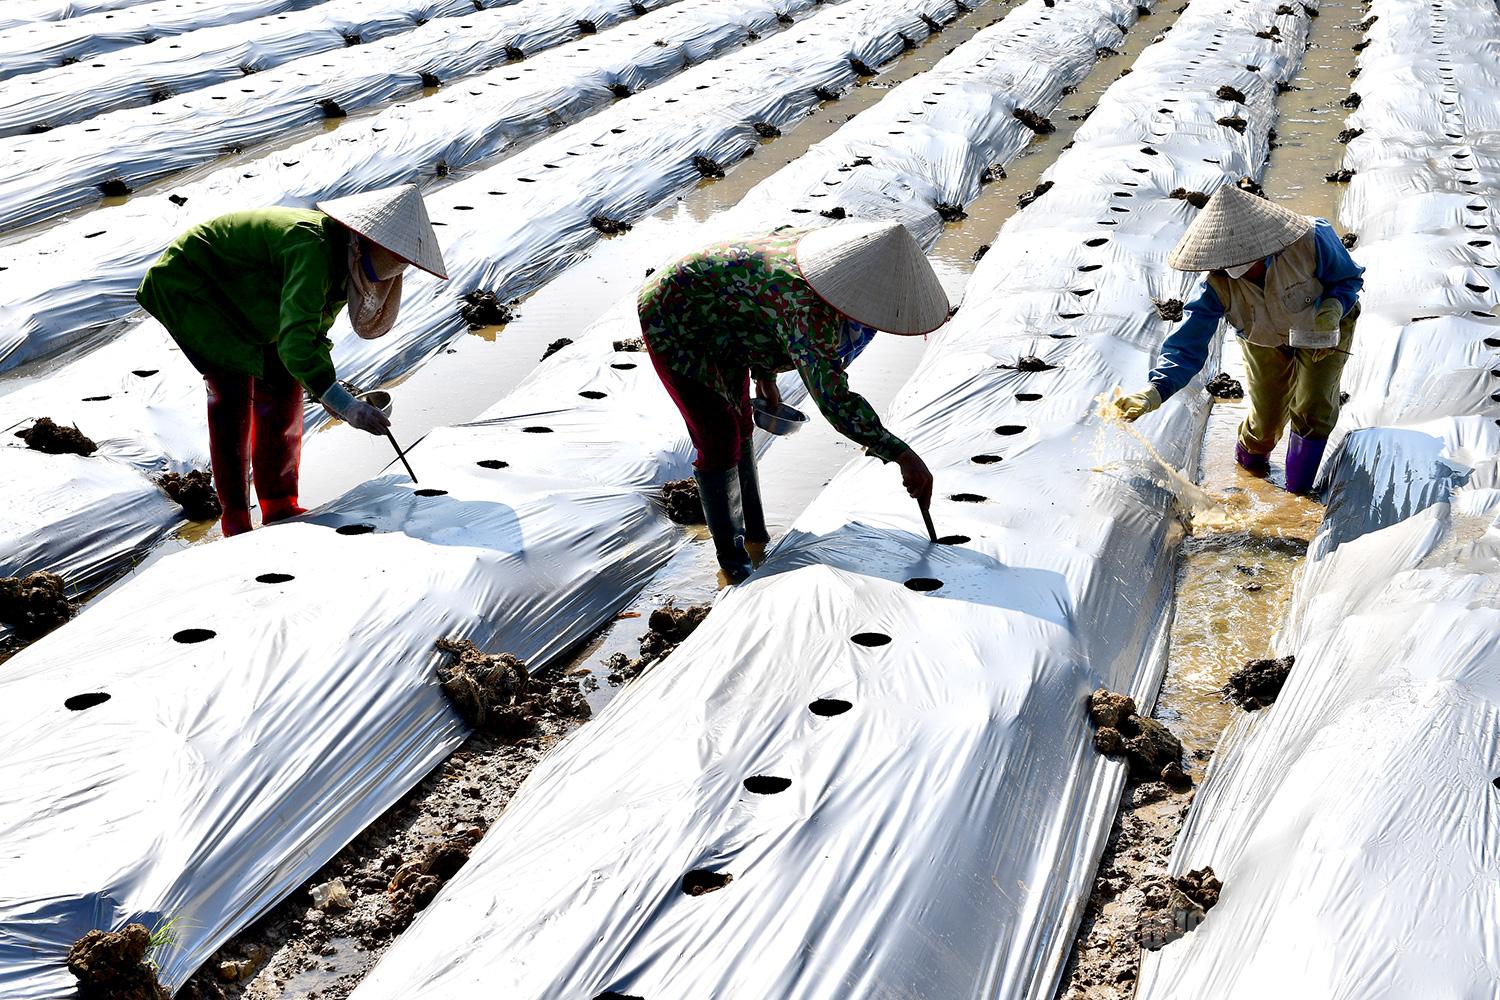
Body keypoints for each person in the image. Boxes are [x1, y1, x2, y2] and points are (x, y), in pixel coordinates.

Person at [638, 220, 949, 587]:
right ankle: (735, 567)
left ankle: (756, 539)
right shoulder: (808, 307)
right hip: (675, 315)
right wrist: (902, 455)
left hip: (726, 322)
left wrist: (765, 375)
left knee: (741, 424)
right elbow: (833, 398)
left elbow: (757, 306)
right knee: (719, 438)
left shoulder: (825, 278)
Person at [137, 184, 447, 535]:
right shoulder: (314, 248)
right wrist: (344, 404)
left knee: (284, 387)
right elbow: (297, 342)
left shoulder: (343, 260)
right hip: (196, 283)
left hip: (250, 296)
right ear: (363, 244)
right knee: (231, 392)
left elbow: (312, 334)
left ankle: (279, 504)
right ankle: (235, 521)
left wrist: (331, 393)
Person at [1112, 184, 1364, 494]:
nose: (1243, 274)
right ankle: (1250, 476)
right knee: (1266, 418)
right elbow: (1187, 344)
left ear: (1265, 247)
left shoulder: (1312, 238)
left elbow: (1347, 279)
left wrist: (1333, 306)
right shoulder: (1215, 286)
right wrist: (1155, 390)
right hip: (1262, 336)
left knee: (1313, 406)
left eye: (1249, 265)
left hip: (1323, 327)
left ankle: (1298, 493)